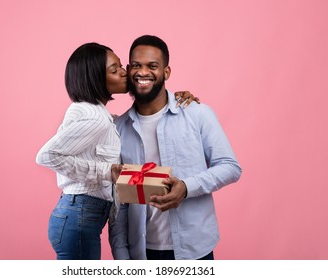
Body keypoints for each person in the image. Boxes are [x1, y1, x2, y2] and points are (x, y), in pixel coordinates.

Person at [36, 42, 199, 260]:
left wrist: (172, 99)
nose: (125, 73)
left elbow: (119, 124)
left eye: (122, 66)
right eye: (115, 70)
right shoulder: (95, 118)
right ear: (96, 79)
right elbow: (47, 156)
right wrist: (107, 171)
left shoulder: (100, 116)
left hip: (78, 216)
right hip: (79, 216)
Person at [109, 35, 242, 260]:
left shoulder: (197, 113)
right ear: (129, 68)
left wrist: (187, 188)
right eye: (136, 65)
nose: (143, 72)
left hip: (194, 249)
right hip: (141, 252)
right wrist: (121, 254)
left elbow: (230, 167)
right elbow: (119, 199)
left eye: (152, 66)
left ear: (166, 72)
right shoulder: (118, 128)